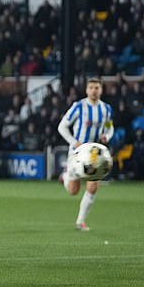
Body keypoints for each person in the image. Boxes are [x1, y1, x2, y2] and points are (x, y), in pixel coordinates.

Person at [58, 77, 114, 231]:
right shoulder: (79, 107)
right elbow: (62, 127)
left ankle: (80, 222)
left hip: (95, 155)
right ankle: (65, 177)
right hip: (78, 154)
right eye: (91, 88)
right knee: (73, 191)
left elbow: (109, 127)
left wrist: (106, 137)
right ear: (86, 90)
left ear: (101, 90)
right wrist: (73, 142)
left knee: (93, 186)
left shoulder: (106, 109)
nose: (94, 91)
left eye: (97, 88)